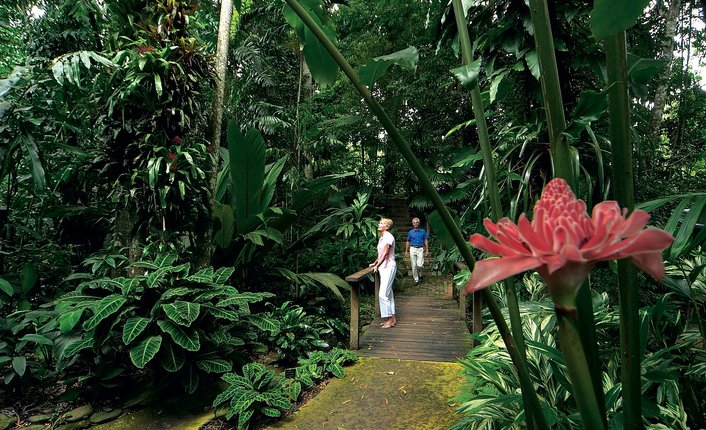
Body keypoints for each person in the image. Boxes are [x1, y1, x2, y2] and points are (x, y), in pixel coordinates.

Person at [369, 218, 396, 329]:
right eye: (380, 223)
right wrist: (375, 262)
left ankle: (389, 319)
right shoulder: (382, 237)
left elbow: (385, 254)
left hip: (388, 267)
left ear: (387, 227)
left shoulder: (388, 237)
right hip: (384, 267)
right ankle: (392, 319)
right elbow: (381, 254)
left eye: (382, 223)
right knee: (388, 294)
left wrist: (377, 266)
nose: (379, 225)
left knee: (383, 294)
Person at [404, 217, 429, 285]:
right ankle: (416, 279)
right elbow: (408, 241)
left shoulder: (423, 231)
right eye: (414, 222)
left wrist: (427, 250)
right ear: (412, 224)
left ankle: (420, 275)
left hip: (420, 249)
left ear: (419, 223)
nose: (415, 224)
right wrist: (406, 251)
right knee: (414, 265)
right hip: (412, 248)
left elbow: (425, 240)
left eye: (416, 222)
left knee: (420, 265)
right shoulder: (410, 232)